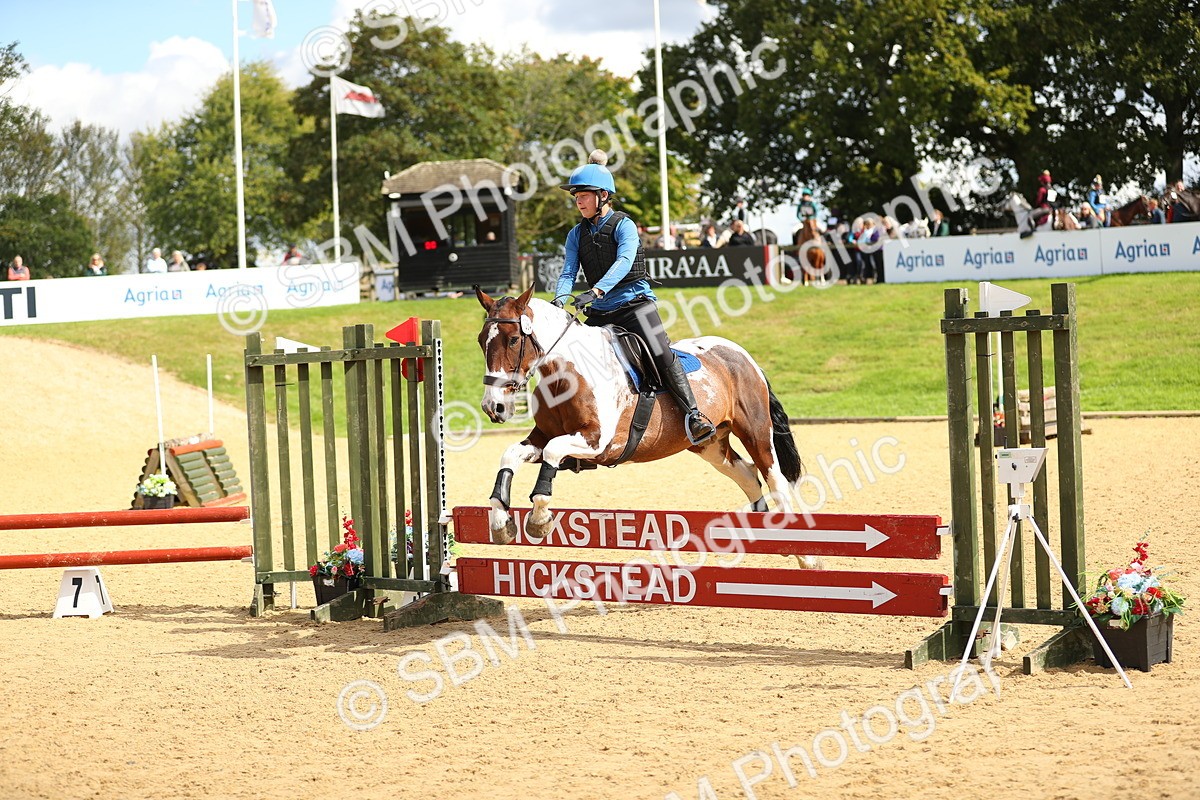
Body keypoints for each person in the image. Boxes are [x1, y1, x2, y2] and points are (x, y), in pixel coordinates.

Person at [553, 149, 715, 445]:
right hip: (600, 311)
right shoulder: (575, 235)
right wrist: (559, 300)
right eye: (576, 196)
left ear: (603, 195)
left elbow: (624, 262)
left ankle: (694, 415)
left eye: (584, 195)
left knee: (661, 351)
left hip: (635, 305)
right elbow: (567, 272)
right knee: (578, 362)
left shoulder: (624, 226)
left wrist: (596, 290)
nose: (578, 200)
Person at [1021, 170, 1054, 238]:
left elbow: (1039, 201)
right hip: (1050, 208)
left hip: (1044, 208)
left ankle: (1032, 231)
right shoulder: (1051, 189)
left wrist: (1035, 206)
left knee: (1030, 216)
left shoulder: (1042, 190)